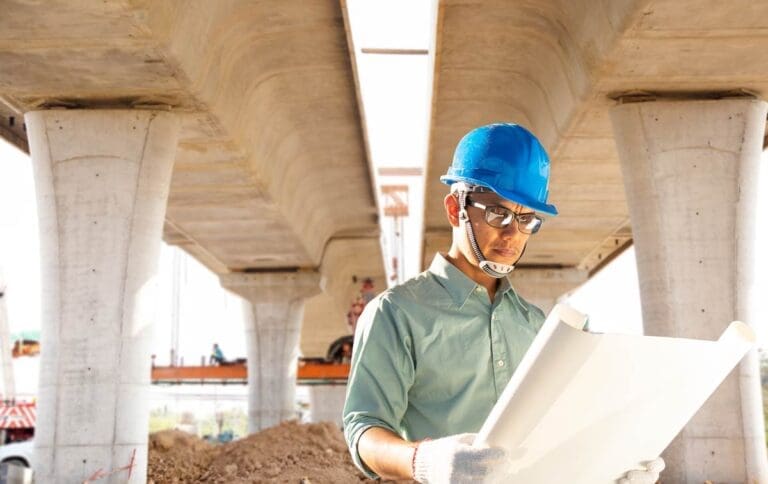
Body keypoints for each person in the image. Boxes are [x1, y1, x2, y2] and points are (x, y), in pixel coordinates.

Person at [342, 123, 665, 483]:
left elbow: (558, 433)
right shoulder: (397, 313)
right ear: (455, 209)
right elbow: (364, 429)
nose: (512, 233)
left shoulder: (537, 326)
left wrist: (608, 466)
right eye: (498, 213)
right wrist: (425, 460)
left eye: (527, 219)